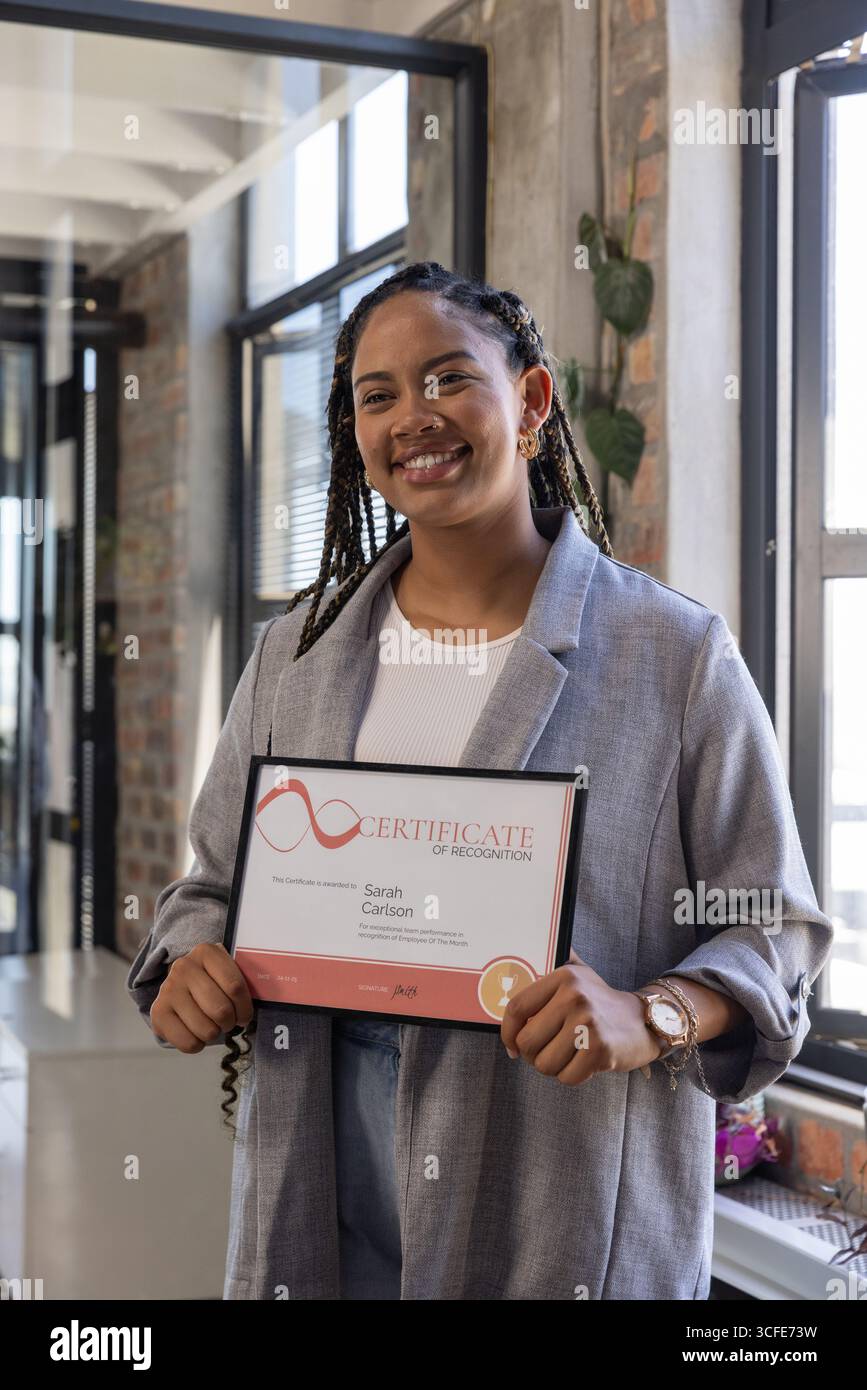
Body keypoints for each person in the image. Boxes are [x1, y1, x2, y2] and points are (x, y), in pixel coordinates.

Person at [126, 261, 834, 1301]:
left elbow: (776, 924)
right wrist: (191, 958)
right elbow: (211, 889)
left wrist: (656, 1013)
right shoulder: (295, 656)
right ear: (359, 437)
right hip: (327, 1173)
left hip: (560, 1187)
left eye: (450, 378)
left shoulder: (673, 656)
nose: (415, 417)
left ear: (533, 402)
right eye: (379, 395)